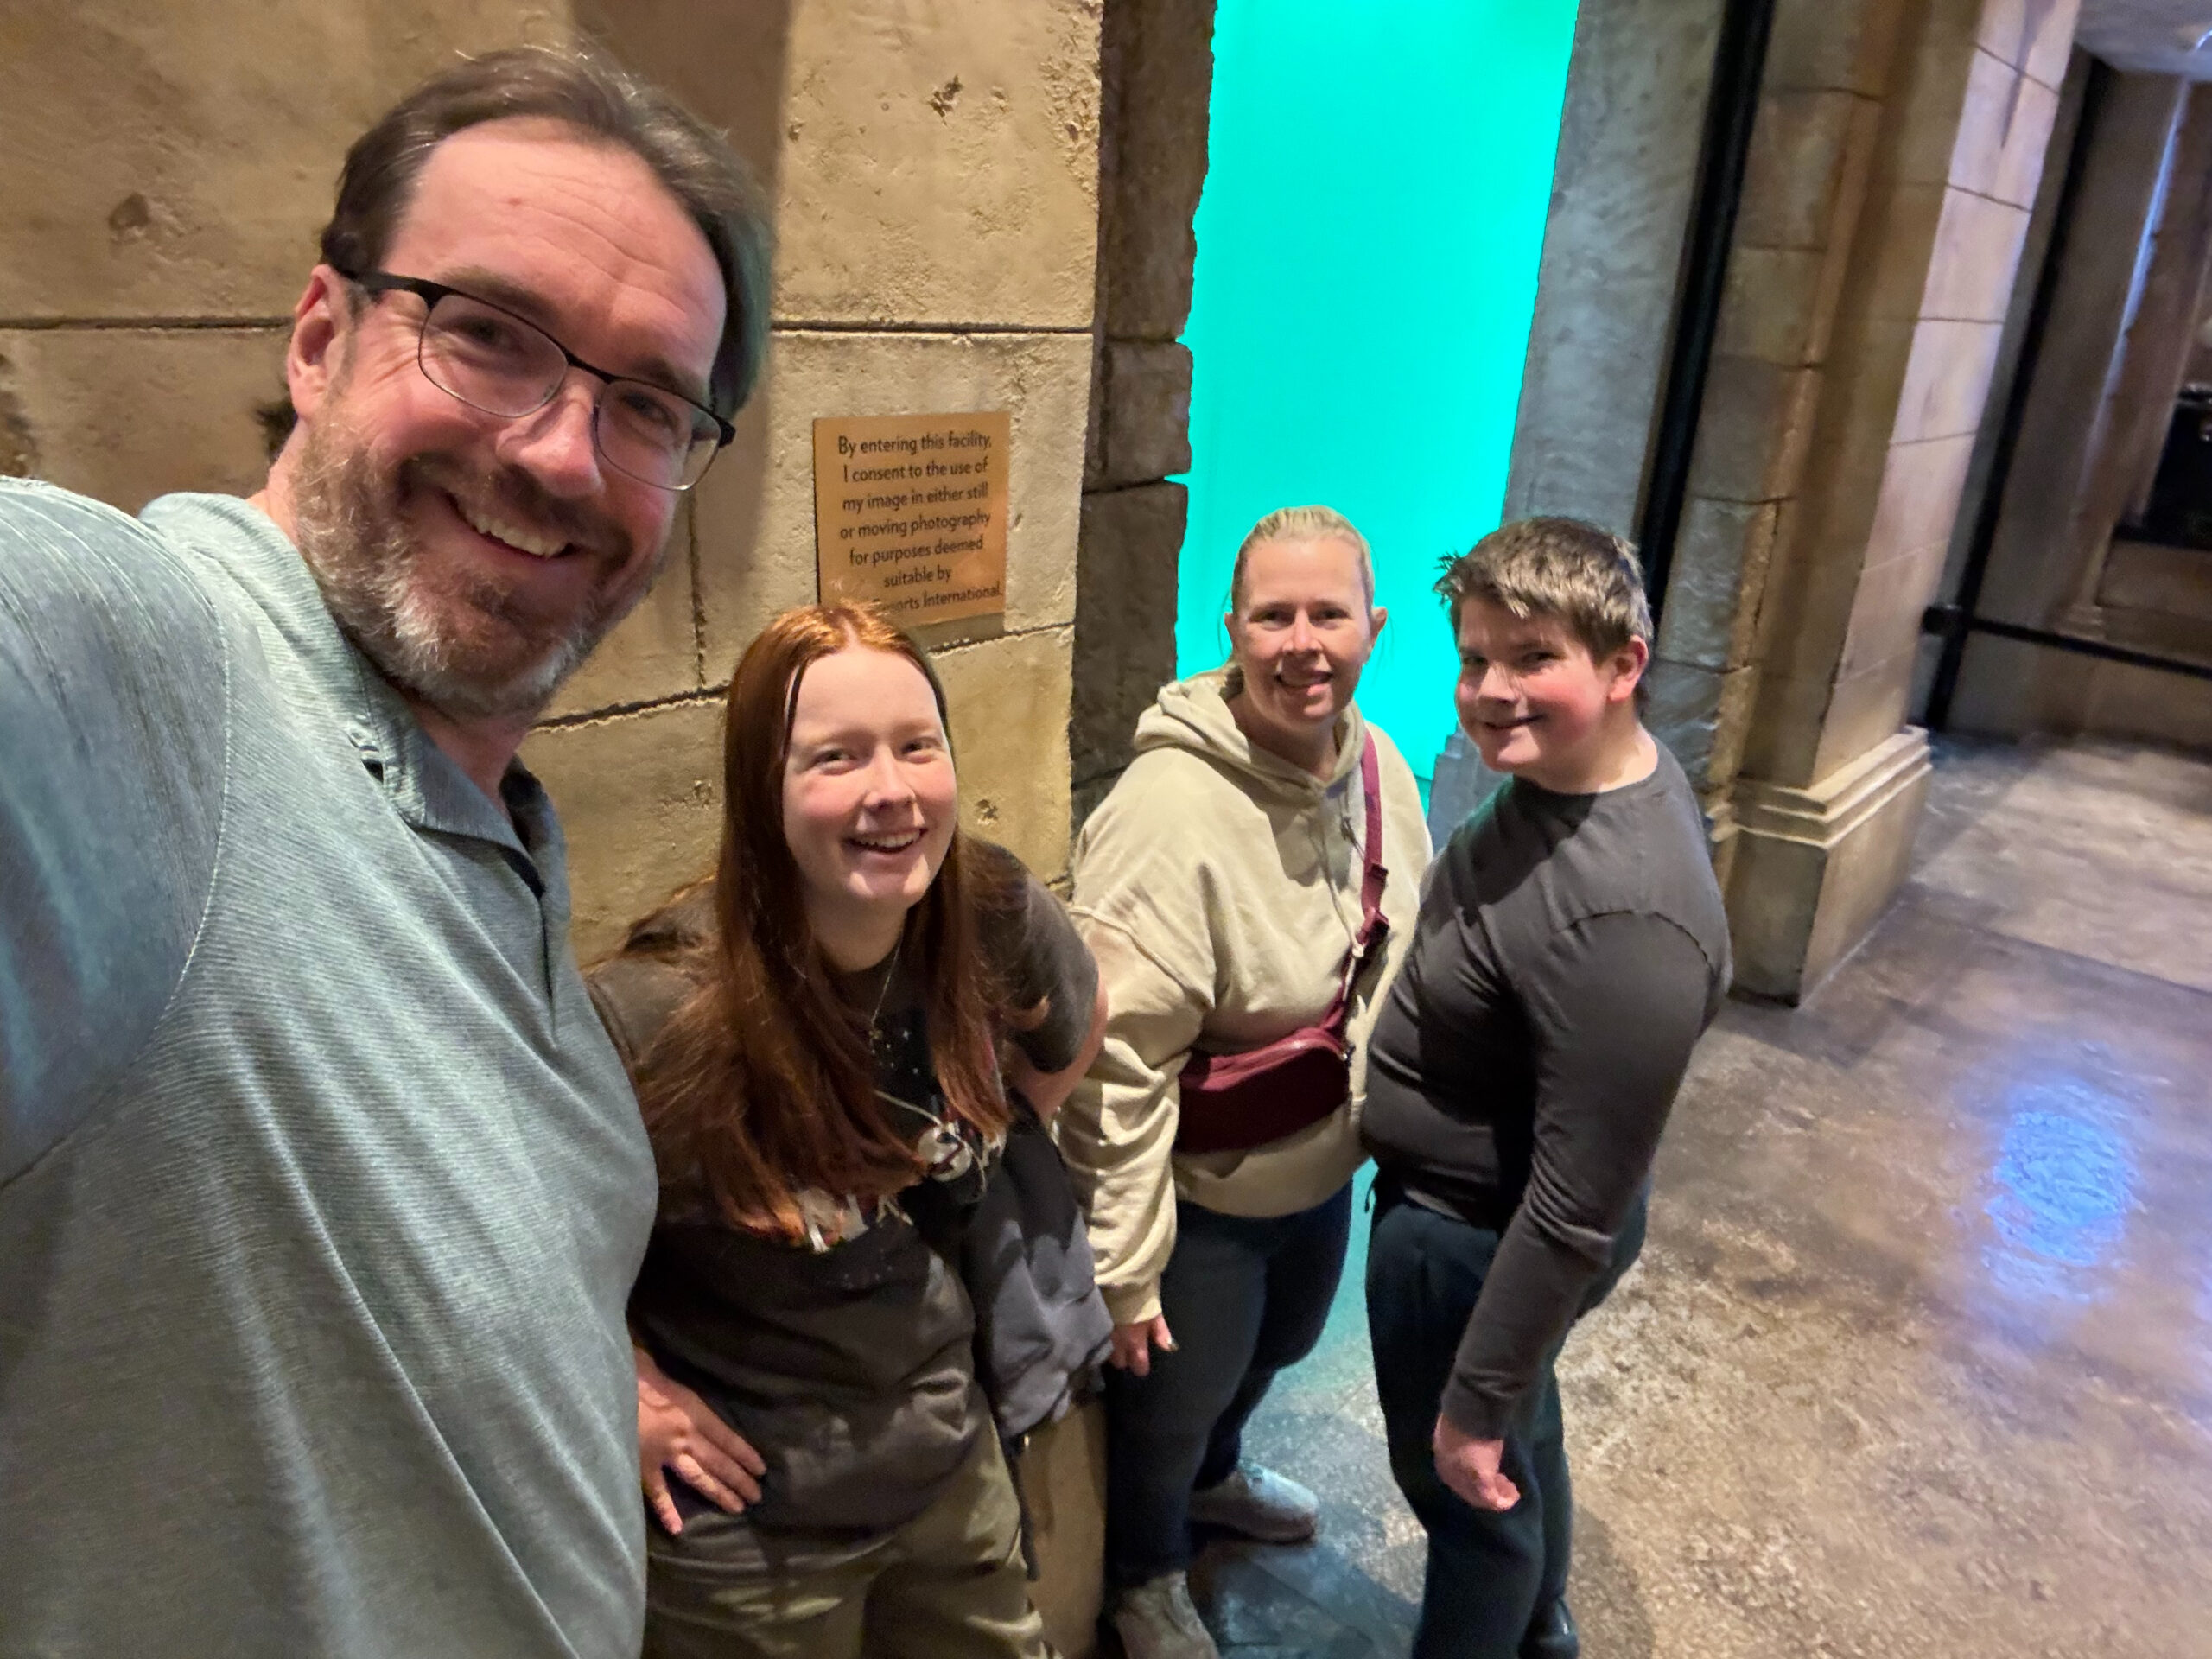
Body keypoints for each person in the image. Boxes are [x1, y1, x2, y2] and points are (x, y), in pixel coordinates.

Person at [0, 48, 771, 1659]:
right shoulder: (148, 678)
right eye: (488, 333)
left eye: (645, 402)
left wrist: (582, 1381)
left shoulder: (485, 812)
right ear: (320, 334)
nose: (563, 457)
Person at [584, 603, 1107, 1659]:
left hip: (945, 1458)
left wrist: (990, 1136)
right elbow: (523, 1250)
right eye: (835, 757)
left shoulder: (986, 908)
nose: (890, 790)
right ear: (759, 790)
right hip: (749, 1531)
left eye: (918, 746)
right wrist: (625, 1388)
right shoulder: (647, 1013)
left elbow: (1076, 1024)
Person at [1059, 505, 1432, 1659]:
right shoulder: (1168, 813)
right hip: (1202, 1195)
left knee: (1277, 1349)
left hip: (1317, 1166)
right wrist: (1123, 1274)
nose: (1302, 642)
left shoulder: (1379, 767)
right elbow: (1113, 1073)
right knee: (1167, 1405)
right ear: (1231, 631)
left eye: (1328, 613)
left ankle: (1215, 1482)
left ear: (1372, 627)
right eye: (1274, 615)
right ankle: (1145, 1574)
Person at [1360, 518, 1732, 1659]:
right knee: (1527, 1431)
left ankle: (1503, 1622)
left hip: (1482, 1236)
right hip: (1482, 1224)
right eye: (1477, 660)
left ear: (1625, 664)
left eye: (1534, 660)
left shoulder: (1629, 916)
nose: (1493, 691)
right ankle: (1544, 1632)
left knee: (1472, 1497)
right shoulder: (1567, 783)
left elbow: (1573, 1206)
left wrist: (1471, 1403)